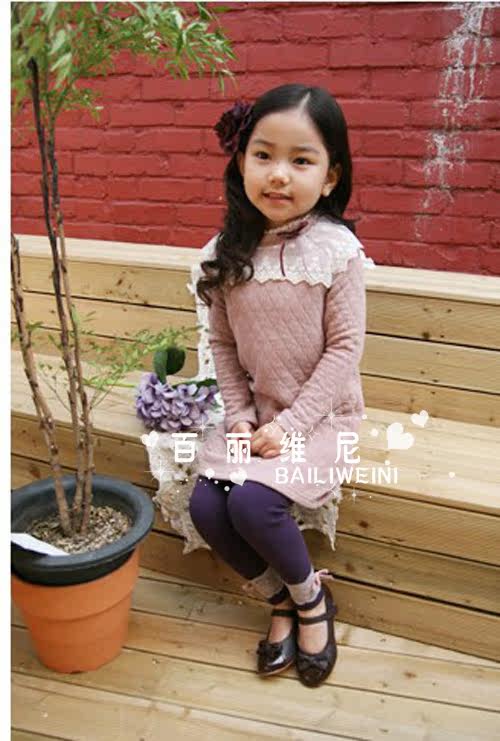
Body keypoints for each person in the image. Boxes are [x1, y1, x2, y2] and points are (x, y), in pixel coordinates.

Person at [188, 83, 372, 688]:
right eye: (263, 154)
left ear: (330, 176)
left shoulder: (335, 251)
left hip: (321, 418)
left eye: (301, 160)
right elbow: (223, 346)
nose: (278, 174)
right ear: (241, 161)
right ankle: (280, 598)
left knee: (253, 502)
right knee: (206, 504)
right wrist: (241, 416)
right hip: (258, 414)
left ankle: (313, 598)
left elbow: (344, 350)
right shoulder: (224, 254)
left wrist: (289, 426)